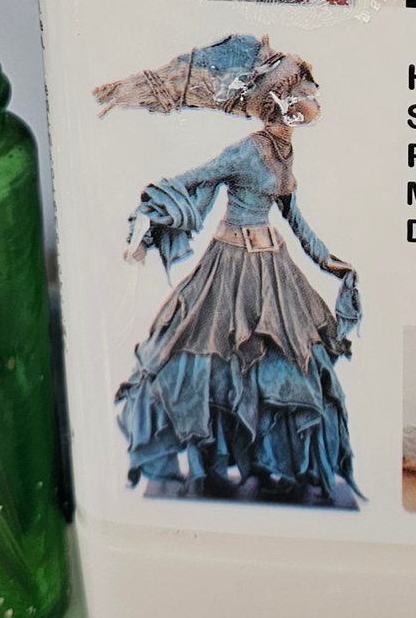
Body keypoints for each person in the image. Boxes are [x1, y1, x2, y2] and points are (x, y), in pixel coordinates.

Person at [97, 35, 361, 506]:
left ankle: (272, 464)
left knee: (288, 360)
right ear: (281, 102)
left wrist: (329, 261)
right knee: (213, 357)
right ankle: (211, 463)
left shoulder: (285, 152)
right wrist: (148, 218)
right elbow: (192, 179)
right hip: (232, 266)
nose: (313, 95)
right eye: (304, 88)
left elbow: (294, 217)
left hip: (273, 267)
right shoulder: (246, 151)